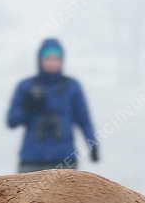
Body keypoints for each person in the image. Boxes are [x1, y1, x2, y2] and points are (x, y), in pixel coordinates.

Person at [6, 38, 99, 173]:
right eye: (47, 58)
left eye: (56, 58)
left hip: (65, 161)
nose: (52, 62)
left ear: (62, 60)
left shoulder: (72, 87)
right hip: (31, 162)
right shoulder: (26, 86)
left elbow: (84, 120)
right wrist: (29, 106)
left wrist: (92, 144)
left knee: (68, 195)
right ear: (40, 60)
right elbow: (11, 121)